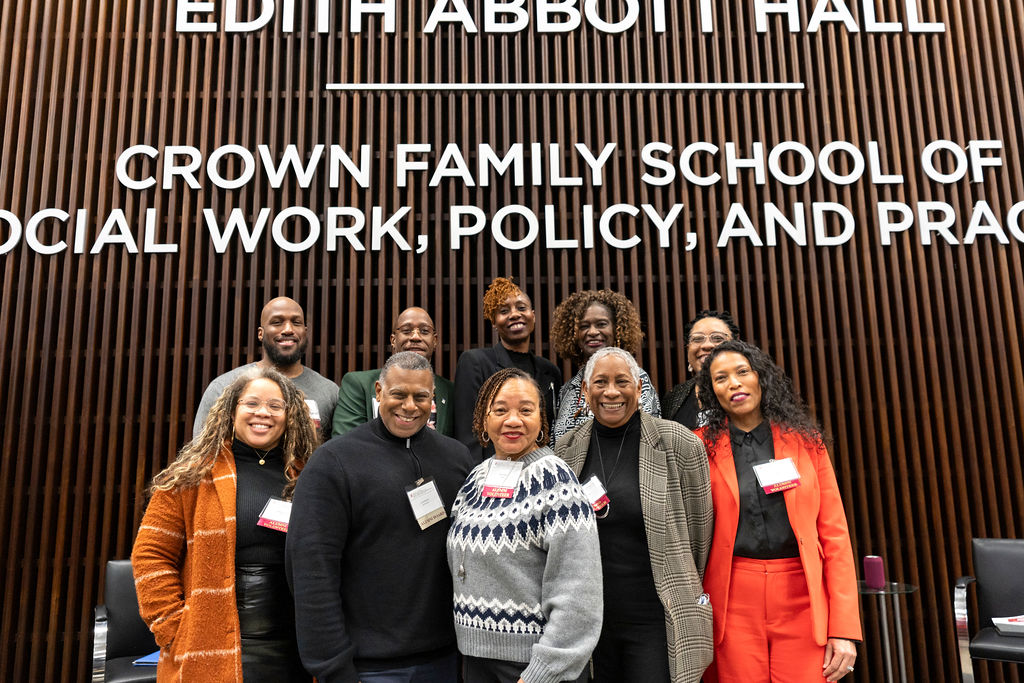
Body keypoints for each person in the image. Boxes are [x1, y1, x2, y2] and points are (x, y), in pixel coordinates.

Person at [286, 351, 476, 683]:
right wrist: (332, 666)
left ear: (434, 399)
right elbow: (311, 568)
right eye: (398, 394)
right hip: (366, 668)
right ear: (378, 392)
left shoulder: (457, 458)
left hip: (446, 660)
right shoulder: (333, 462)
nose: (410, 406)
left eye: (421, 397)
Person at [132, 367, 318, 681]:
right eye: (252, 404)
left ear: (290, 416)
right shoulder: (191, 475)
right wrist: (175, 627)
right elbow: (150, 556)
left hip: (296, 648)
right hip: (211, 641)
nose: (264, 413)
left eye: (276, 406)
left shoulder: (311, 477)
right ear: (232, 411)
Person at [696, 340, 861, 683]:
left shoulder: (805, 441)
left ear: (761, 378)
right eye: (721, 378)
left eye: (743, 372)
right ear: (712, 392)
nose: (735, 383)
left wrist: (843, 628)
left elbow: (835, 536)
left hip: (802, 596)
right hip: (732, 598)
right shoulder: (697, 448)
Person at [555, 347, 713, 683]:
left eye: (621, 381)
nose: (611, 392)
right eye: (600, 382)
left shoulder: (679, 444)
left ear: (639, 389)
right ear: (585, 392)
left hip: (657, 618)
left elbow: (700, 535)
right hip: (592, 622)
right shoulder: (566, 450)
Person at [448, 368, 602, 683]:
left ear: (541, 419)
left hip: (532, 667)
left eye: (526, 410)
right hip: (476, 661)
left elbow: (579, 591)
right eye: (500, 410)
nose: (513, 420)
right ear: (483, 419)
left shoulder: (555, 480)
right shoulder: (476, 478)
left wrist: (544, 671)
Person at [194, 296, 338, 442]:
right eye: (277, 322)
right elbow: (201, 452)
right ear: (260, 333)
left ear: (305, 332)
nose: (288, 329)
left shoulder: (329, 392)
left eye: (296, 323)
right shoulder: (225, 386)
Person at [452, 277, 562, 458]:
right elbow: (468, 435)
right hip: (493, 474)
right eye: (504, 311)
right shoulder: (475, 362)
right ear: (494, 322)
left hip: (540, 470)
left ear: (532, 315)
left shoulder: (550, 372)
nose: (514, 314)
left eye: (521, 308)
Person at [549, 289, 661, 441]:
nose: (593, 332)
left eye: (601, 324)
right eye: (583, 326)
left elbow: (650, 437)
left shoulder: (635, 379)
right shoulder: (569, 388)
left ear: (616, 329)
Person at [332, 306, 455, 436]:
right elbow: (346, 444)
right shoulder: (358, 384)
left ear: (434, 341)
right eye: (406, 331)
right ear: (393, 340)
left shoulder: (450, 390)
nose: (415, 337)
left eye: (424, 331)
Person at [662, 310, 740, 429]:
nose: (706, 345)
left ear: (735, 346)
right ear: (688, 349)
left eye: (717, 338)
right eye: (697, 339)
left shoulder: (751, 388)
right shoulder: (673, 398)